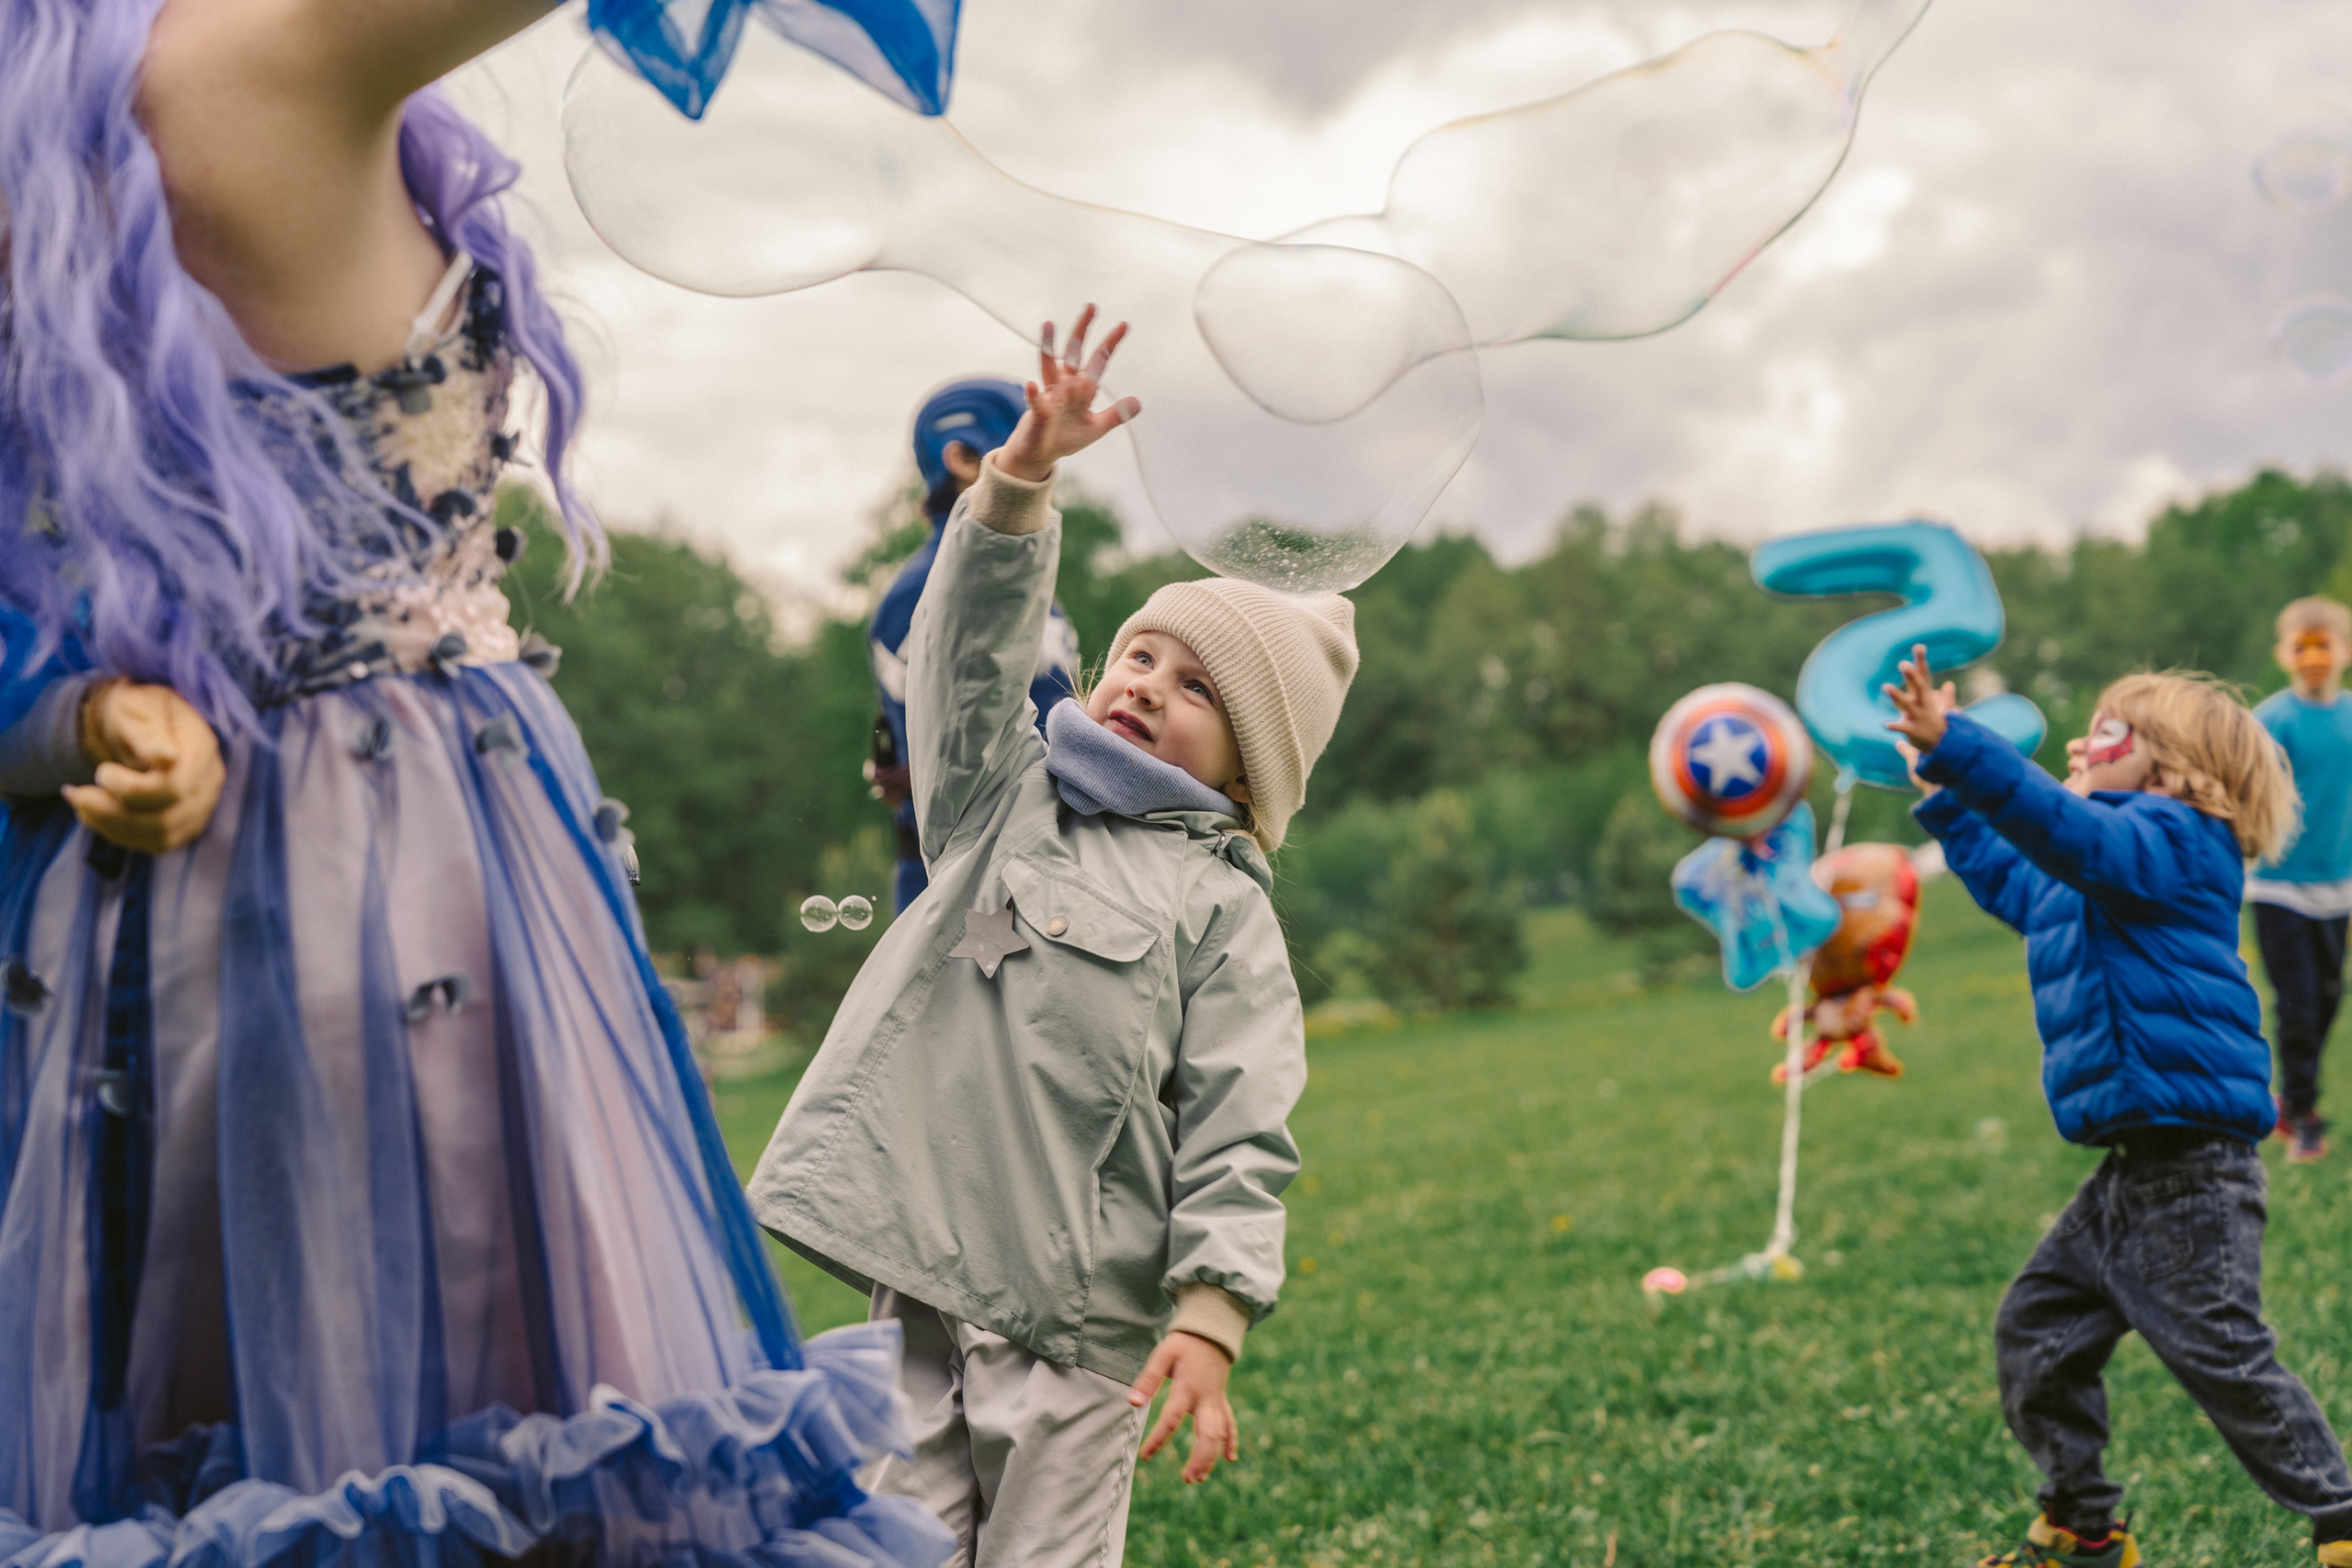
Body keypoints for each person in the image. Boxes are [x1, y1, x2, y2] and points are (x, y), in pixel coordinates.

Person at [0, 0, 944, 1560]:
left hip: (105, 967)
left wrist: (81, 715)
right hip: (380, 907)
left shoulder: (54, 144)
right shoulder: (250, 63)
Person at [749, 308, 1358, 1567]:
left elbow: (1244, 1120)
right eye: (1140, 651)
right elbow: (966, 658)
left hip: (1082, 1329)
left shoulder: (1223, 906)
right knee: (890, 1550)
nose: (1145, 682)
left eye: (1200, 688)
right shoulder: (999, 798)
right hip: (919, 1280)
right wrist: (1019, 487)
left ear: (1254, 768)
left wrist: (1212, 1307)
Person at [1886, 650, 2352, 1568]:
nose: (2076, 740)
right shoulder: (2097, 862)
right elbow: (2021, 877)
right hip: (2131, 1173)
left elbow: (2068, 833)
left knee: (2219, 1354)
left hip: (2192, 1171)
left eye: (2107, 730)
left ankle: (2341, 1514)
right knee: (2037, 1332)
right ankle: (2080, 1527)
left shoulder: (2175, 840)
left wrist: (1960, 748)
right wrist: (1944, 793)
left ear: (2176, 766)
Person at [870, 378, 1080, 912]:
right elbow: (963, 739)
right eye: (1018, 443)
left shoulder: (1026, 585)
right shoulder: (926, 588)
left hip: (1037, 863)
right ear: (962, 457)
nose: (1039, 461)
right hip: (966, 885)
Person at [2251, 596, 2352, 1162]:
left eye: (2323, 644)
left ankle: (2292, 1102)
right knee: (2301, 1003)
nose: (2313, 656)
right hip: (2279, 887)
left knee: (2332, 997)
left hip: (2340, 886)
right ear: (2284, 655)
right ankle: (2302, 1115)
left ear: (2345, 652)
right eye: (2302, 646)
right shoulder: (2272, 720)